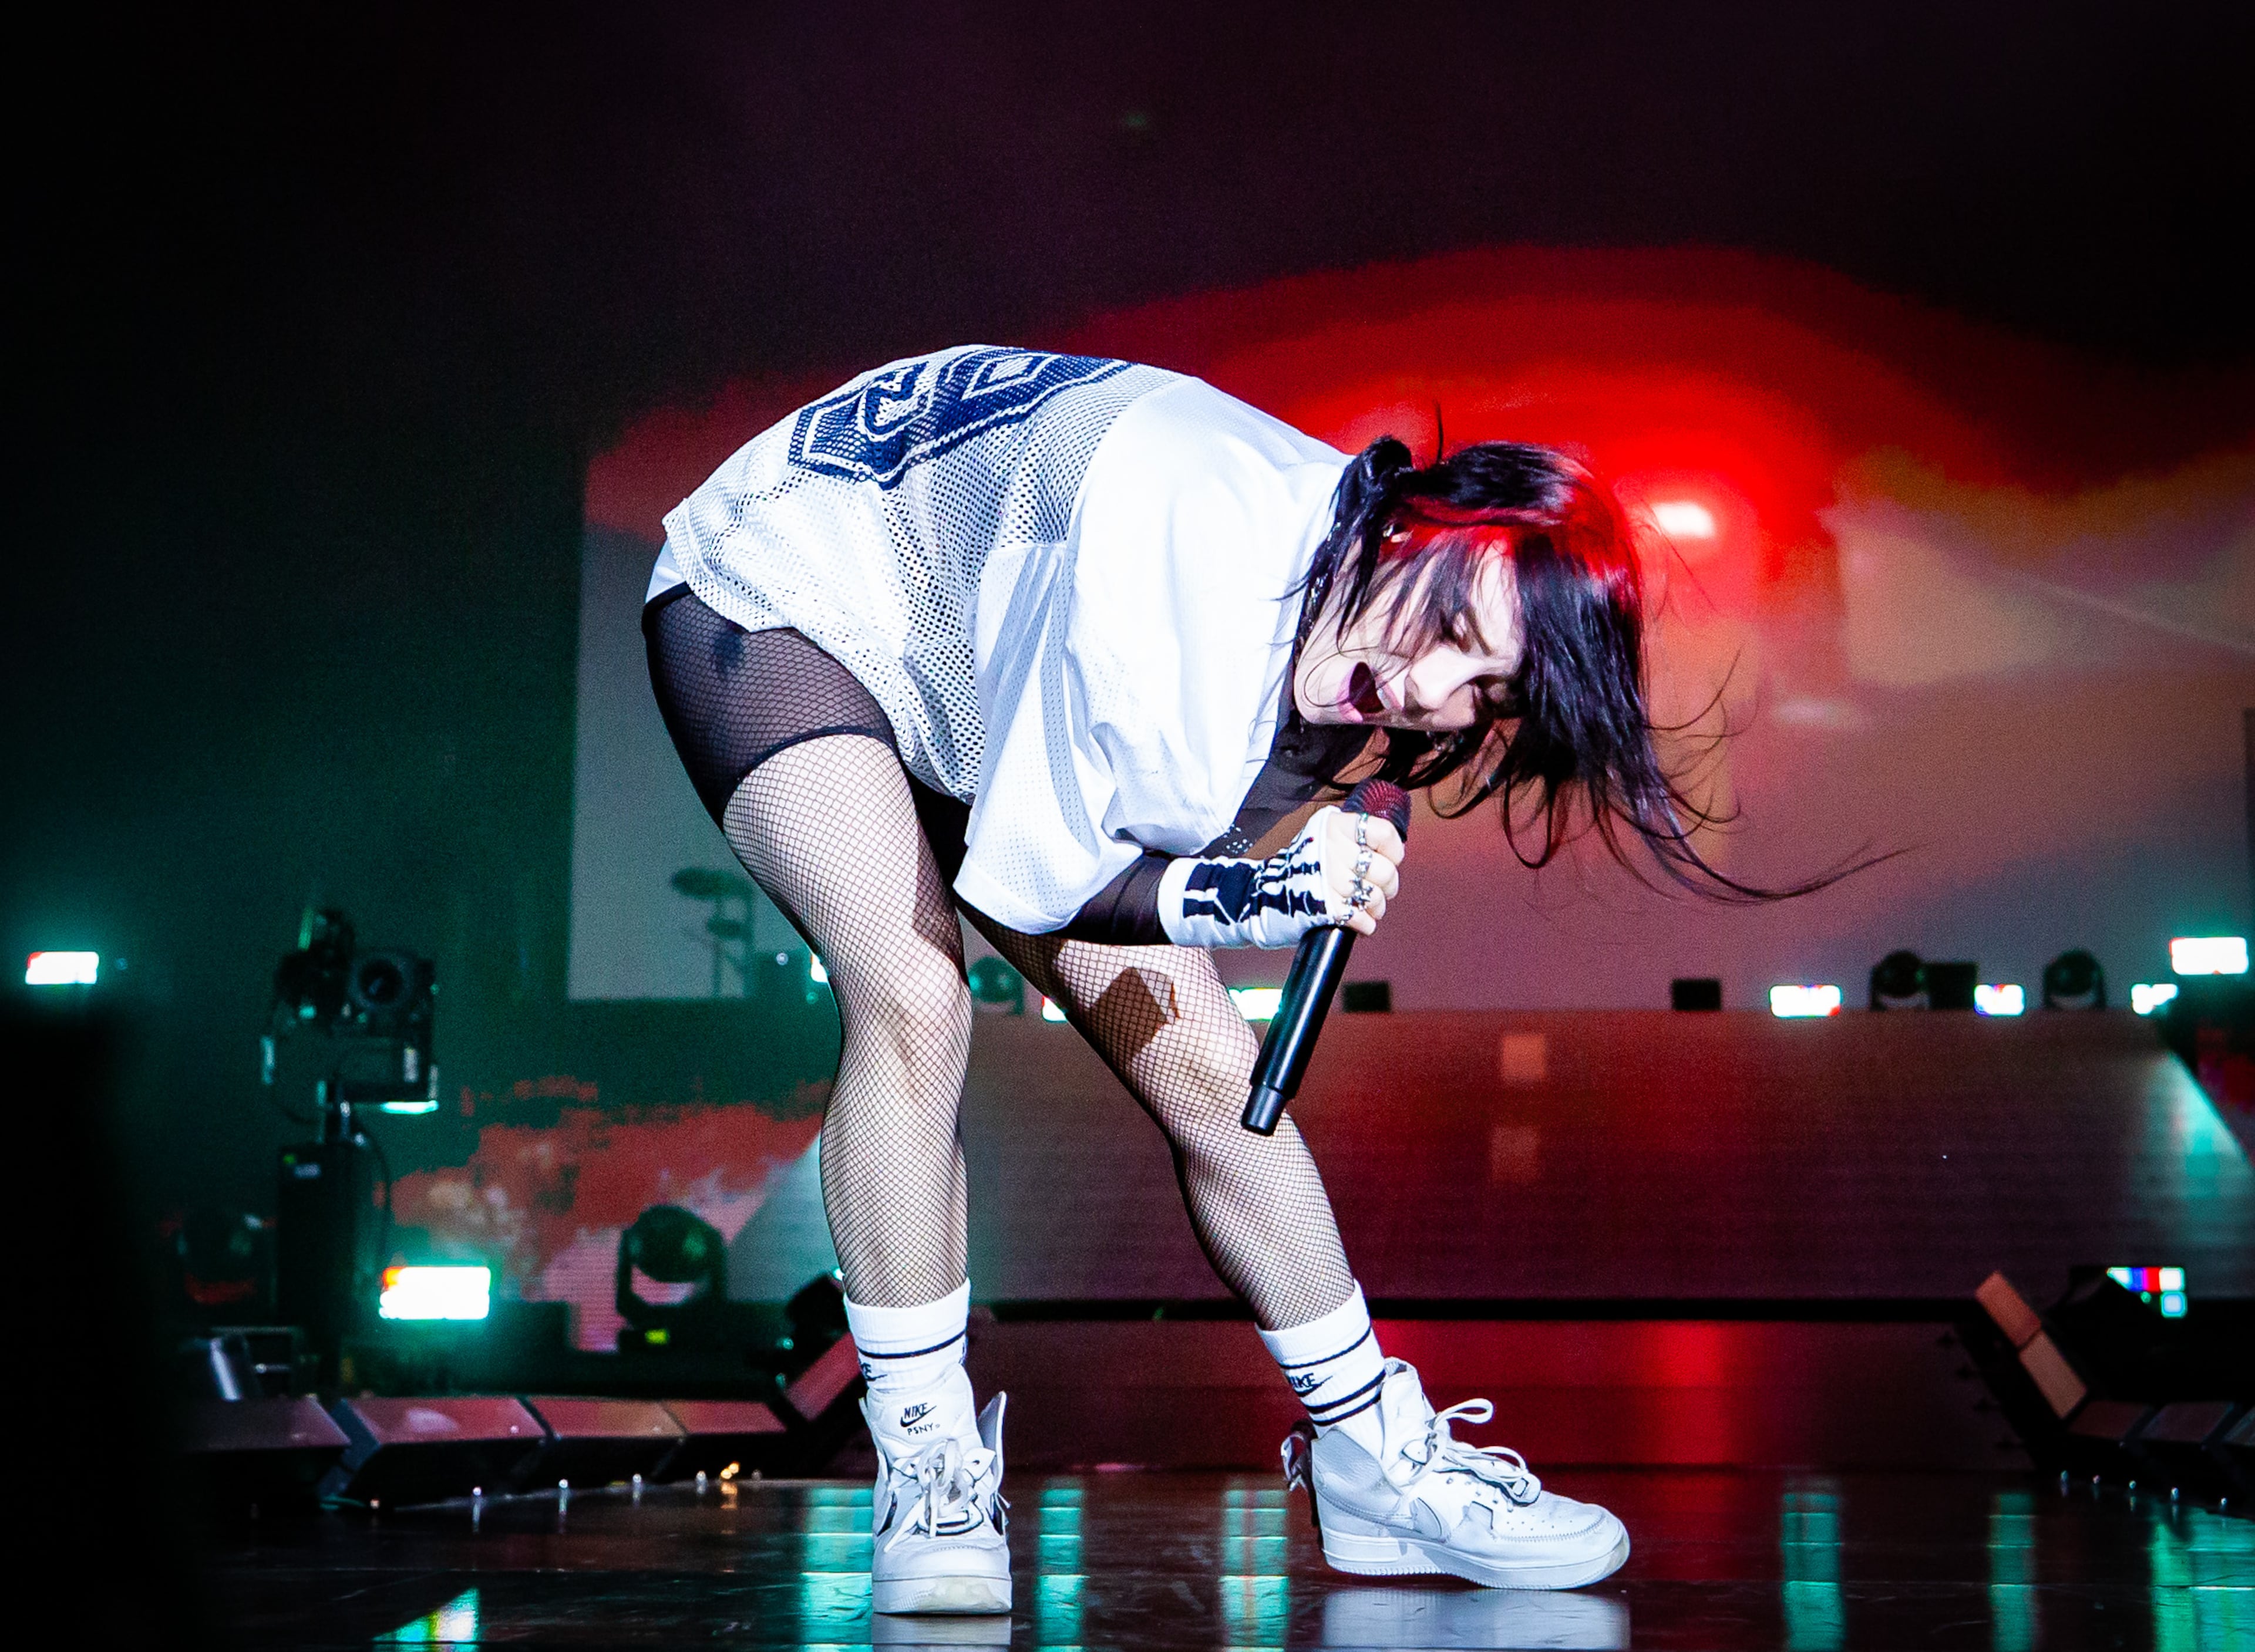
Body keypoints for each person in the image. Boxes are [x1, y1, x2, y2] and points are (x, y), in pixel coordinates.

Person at [645, 346, 1739, 1613]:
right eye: (1447, 634)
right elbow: (1038, 889)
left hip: (987, 660)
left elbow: (1150, 848)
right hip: (797, 589)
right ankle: (929, 1458)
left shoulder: (1357, 642)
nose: (1433, 694)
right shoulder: (1184, 546)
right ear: (1414, 527)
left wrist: (1313, 833)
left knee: (1216, 1069)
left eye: (1484, 689)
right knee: (913, 990)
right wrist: (1271, 891)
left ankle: (1375, 1461)